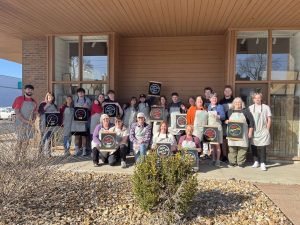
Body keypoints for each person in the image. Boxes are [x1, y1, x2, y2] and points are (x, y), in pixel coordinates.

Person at [226, 97, 254, 168]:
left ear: (242, 104)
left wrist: (250, 132)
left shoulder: (245, 111)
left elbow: (251, 122)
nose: (238, 104)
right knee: (232, 148)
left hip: (243, 133)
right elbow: (225, 120)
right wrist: (226, 121)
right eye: (236, 102)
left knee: (243, 148)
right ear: (234, 104)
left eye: (239, 102)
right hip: (232, 133)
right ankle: (232, 163)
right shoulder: (230, 111)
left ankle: (240, 163)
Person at [12, 84, 37, 161]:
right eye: (28, 89)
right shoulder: (19, 99)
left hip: (29, 125)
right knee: (19, 142)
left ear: (33, 91)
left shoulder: (34, 101)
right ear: (25, 90)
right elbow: (17, 112)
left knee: (26, 142)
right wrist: (26, 121)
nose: (29, 91)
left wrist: (33, 120)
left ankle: (23, 159)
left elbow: (35, 113)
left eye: (31, 89)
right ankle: (15, 160)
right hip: (20, 124)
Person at [249, 93, 272, 171]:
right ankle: (256, 161)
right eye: (256, 98)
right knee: (254, 146)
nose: (257, 99)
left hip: (263, 130)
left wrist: (267, 129)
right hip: (254, 130)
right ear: (253, 99)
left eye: (259, 98)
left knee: (262, 147)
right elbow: (248, 119)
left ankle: (263, 163)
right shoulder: (250, 108)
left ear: (261, 98)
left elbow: (269, 119)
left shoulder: (266, 107)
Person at [71, 87, 92, 156]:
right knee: (77, 136)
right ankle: (77, 150)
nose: (81, 93)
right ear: (77, 93)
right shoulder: (74, 100)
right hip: (76, 121)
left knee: (83, 136)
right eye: (79, 92)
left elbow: (91, 109)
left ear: (84, 93)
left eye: (82, 92)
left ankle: (84, 151)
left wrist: (87, 107)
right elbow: (72, 109)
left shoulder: (88, 100)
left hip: (84, 121)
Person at [38, 92, 59, 157]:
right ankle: (40, 154)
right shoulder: (43, 103)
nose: (50, 98)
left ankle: (48, 153)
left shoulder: (54, 105)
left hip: (51, 125)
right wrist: (47, 104)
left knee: (49, 139)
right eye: (49, 97)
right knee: (43, 139)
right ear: (47, 97)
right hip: (44, 124)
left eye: (51, 97)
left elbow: (56, 114)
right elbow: (40, 112)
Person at [207, 93, 225, 166]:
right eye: (212, 98)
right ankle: (213, 159)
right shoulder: (208, 107)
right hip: (210, 128)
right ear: (210, 99)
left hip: (217, 127)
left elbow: (223, 116)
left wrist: (218, 116)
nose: (214, 99)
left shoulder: (220, 107)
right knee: (211, 145)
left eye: (215, 98)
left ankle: (218, 160)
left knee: (217, 145)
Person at [219, 85, 234, 162]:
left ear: (231, 92)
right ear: (224, 92)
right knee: (224, 140)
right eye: (226, 91)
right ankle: (224, 156)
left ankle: (231, 156)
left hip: (233, 124)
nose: (227, 92)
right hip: (224, 123)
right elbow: (219, 113)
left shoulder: (235, 101)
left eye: (229, 91)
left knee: (232, 139)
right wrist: (224, 120)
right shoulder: (220, 102)